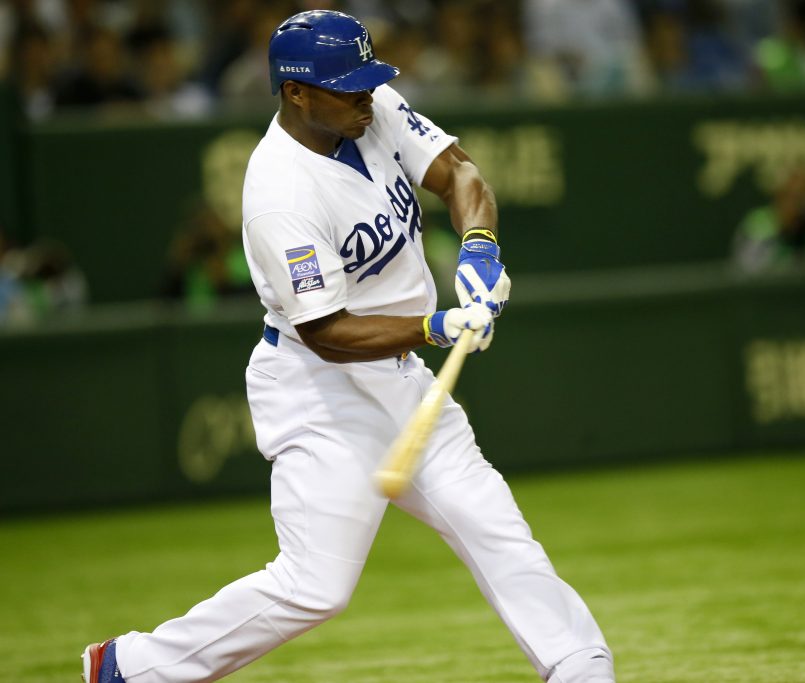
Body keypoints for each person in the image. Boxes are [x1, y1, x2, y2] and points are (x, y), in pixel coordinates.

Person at [81, 10, 614, 683]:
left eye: (368, 80)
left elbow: (460, 174)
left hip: (401, 373)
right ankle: (129, 665)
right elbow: (325, 331)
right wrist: (435, 327)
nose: (366, 93)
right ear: (296, 92)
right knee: (316, 585)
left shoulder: (370, 106)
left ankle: (580, 664)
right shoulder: (280, 192)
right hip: (317, 388)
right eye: (347, 86)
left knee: (492, 522)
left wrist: (479, 246)